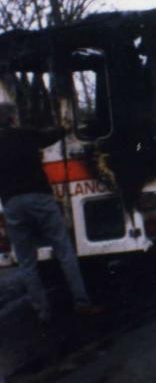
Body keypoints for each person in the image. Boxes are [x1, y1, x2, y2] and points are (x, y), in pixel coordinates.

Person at [0, 102, 103, 323]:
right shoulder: (25, 135)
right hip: (39, 198)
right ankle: (82, 303)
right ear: (12, 118)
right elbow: (52, 135)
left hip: (12, 205)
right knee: (64, 251)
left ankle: (43, 311)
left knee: (27, 262)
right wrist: (66, 126)